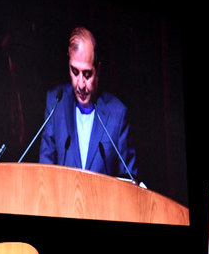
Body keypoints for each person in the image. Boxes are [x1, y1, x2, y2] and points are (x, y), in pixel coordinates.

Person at [39, 27, 138, 180]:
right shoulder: (55, 104)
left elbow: (129, 180)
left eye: (87, 74)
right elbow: (43, 174)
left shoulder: (117, 114)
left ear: (97, 70)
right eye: (74, 72)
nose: (80, 84)